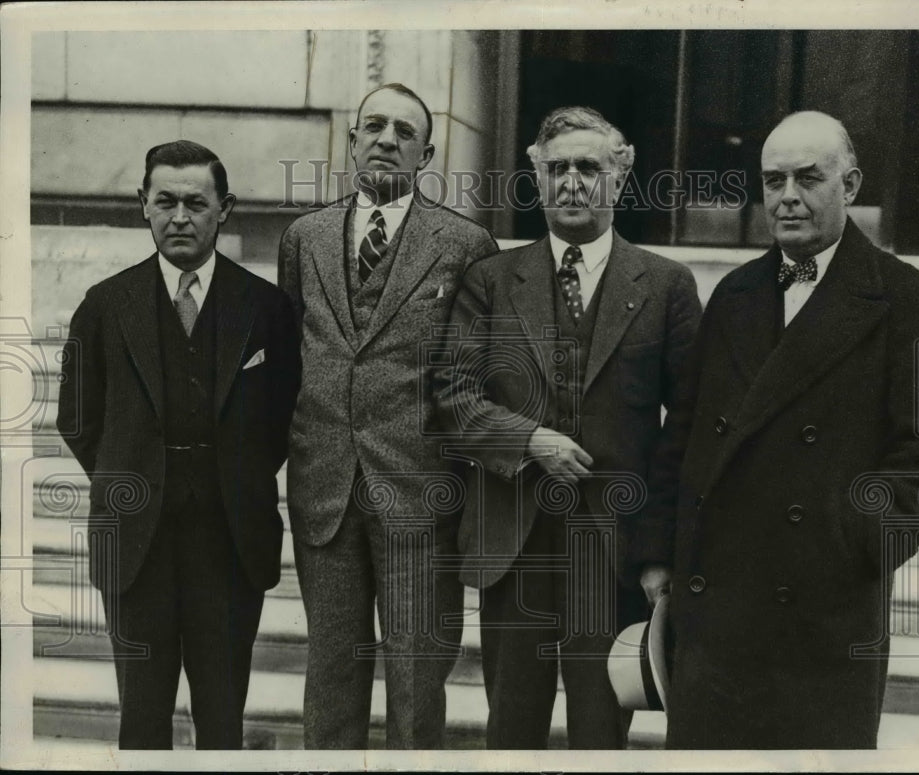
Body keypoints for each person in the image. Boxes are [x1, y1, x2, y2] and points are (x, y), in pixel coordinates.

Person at [653, 111, 919, 749]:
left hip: (826, 610)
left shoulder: (904, 297)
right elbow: (683, 431)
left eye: (808, 178)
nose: (788, 197)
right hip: (717, 603)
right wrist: (659, 553)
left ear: (850, 185)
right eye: (774, 181)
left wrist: (858, 536)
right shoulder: (735, 293)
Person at [434, 106, 701, 749]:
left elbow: (690, 425)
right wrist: (528, 439)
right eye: (557, 169)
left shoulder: (666, 285)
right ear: (537, 179)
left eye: (589, 167)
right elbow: (453, 397)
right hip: (514, 541)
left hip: (612, 550)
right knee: (511, 729)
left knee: (600, 733)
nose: (572, 182)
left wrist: (660, 552)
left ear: (621, 176)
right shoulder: (493, 280)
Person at [56, 140, 300, 749]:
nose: (180, 217)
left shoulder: (266, 307)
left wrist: (233, 473)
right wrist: (130, 475)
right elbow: (77, 418)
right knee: (142, 719)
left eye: (196, 203)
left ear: (226, 209)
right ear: (143, 204)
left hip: (230, 540)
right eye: (165, 202)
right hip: (137, 542)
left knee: (222, 719)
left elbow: (283, 416)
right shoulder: (105, 304)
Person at [278, 82, 498, 749]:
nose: (386, 140)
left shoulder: (465, 243)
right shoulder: (304, 238)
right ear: (351, 141)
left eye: (405, 132)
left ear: (426, 155)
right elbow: (292, 353)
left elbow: (473, 376)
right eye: (374, 126)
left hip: (420, 496)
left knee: (416, 681)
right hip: (325, 489)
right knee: (331, 674)